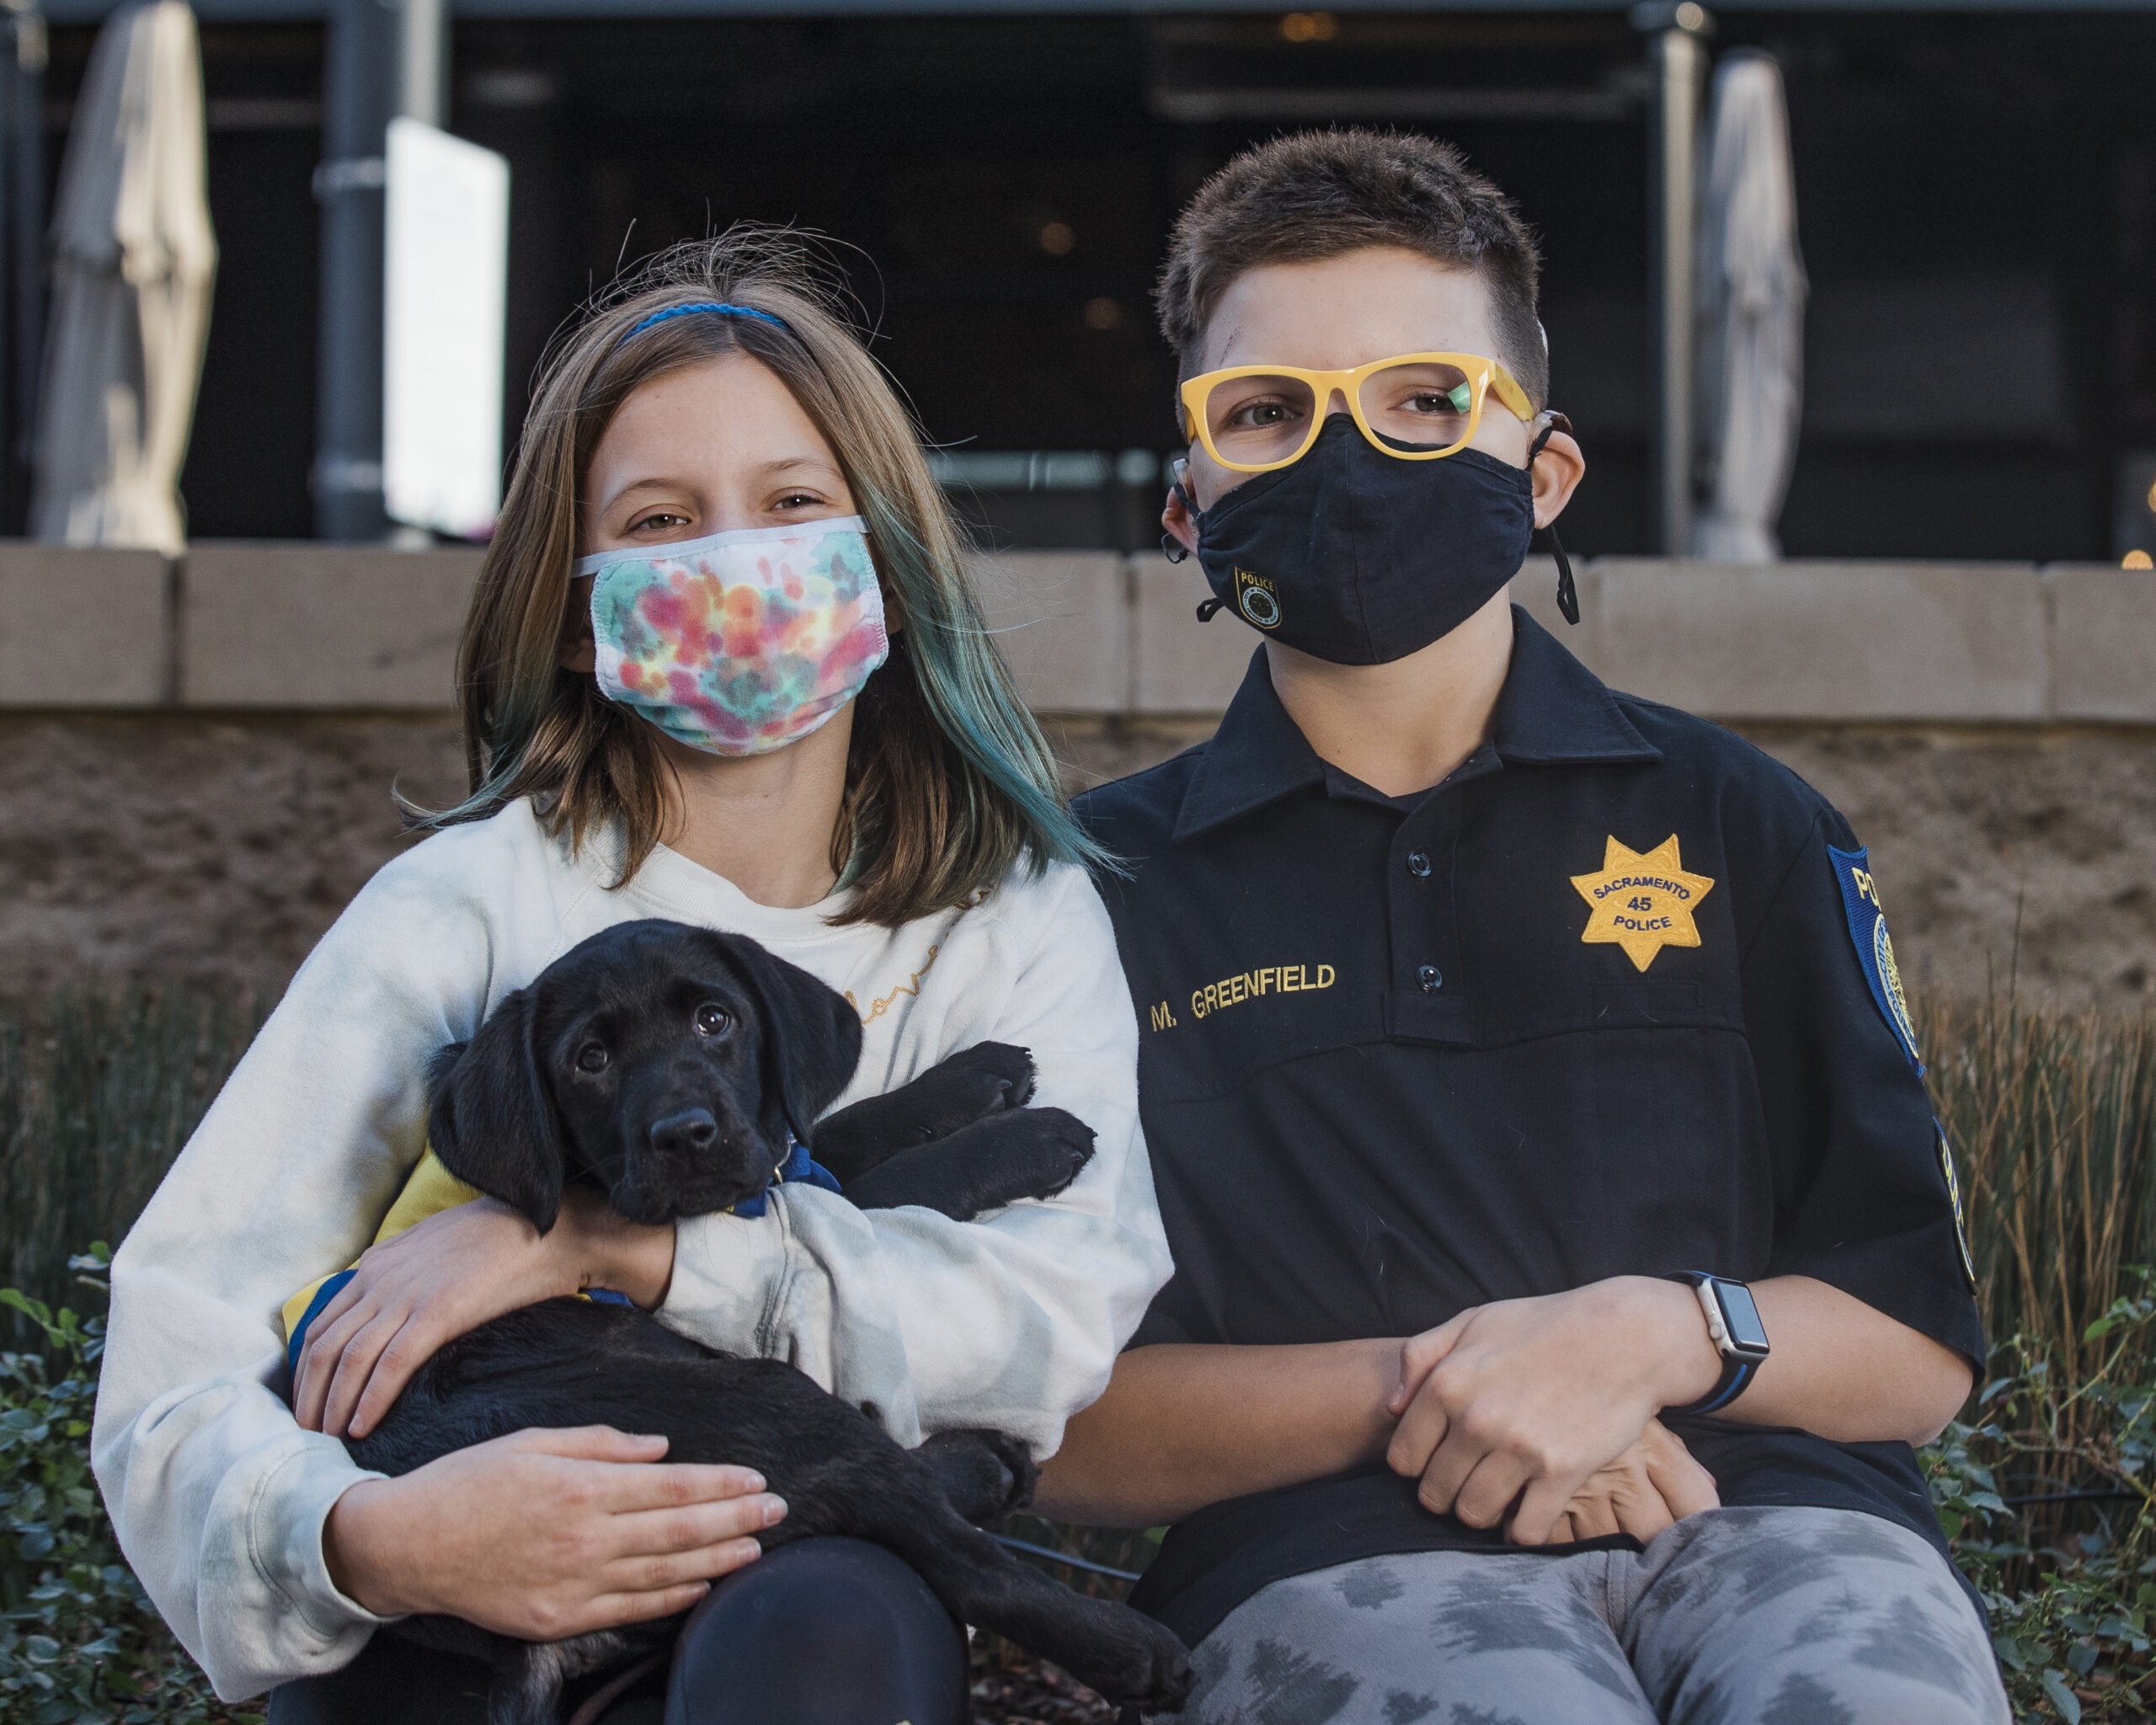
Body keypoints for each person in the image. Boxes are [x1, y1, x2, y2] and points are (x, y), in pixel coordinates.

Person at [90, 229, 1171, 1725]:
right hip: (462, 1586)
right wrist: (374, 1537)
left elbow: (1055, 1309)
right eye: (662, 522)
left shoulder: (1010, 914)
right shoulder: (465, 909)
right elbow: (174, 1365)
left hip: (814, 1566)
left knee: (829, 1641)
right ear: (580, 601)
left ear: (886, 552)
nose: (734, 558)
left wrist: (615, 1252)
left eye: (794, 502)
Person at [1038, 131, 2008, 1725]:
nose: (1348, 461)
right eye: (1267, 413)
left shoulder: (1744, 820)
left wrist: (1653, 1334)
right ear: (1187, 505)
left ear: (1545, 472)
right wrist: (1467, 1395)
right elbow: (1059, 1428)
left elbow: (1914, 1343)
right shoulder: (1093, 893)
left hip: (1778, 1529)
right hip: (1330, 1567)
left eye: (1424, 398)